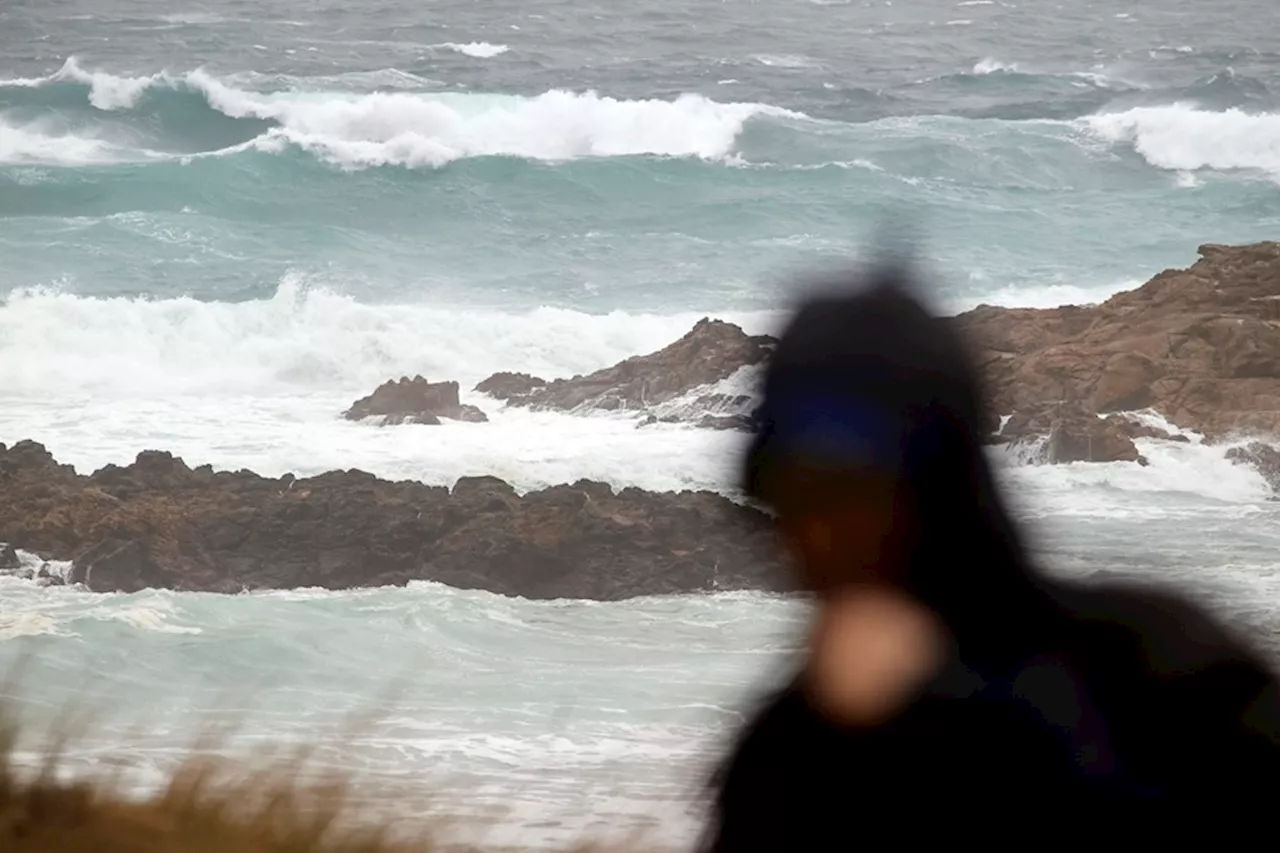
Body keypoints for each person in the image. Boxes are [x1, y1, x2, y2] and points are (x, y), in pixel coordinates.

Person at [700, 263, 1280, 849]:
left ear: (941, 482)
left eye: (846, 493)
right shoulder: (789, 747)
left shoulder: (1160, 671)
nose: (813, 534)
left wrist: (929, 720)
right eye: (787, 492)